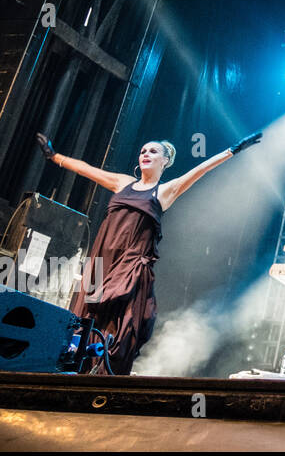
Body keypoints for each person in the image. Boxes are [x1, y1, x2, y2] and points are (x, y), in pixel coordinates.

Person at [37, 130, 263, 374]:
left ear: (165, 161)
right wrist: (54, 156)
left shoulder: (164, 191)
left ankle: (105, 372)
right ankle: (76, 366)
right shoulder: (123, 183)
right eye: (143, 151)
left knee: (121, 318)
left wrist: (232, 150)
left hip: (130, 263)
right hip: (102, 258)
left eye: (153, 151)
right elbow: (87, 170)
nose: (146, 154)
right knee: (89, 312)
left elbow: (201, 170)